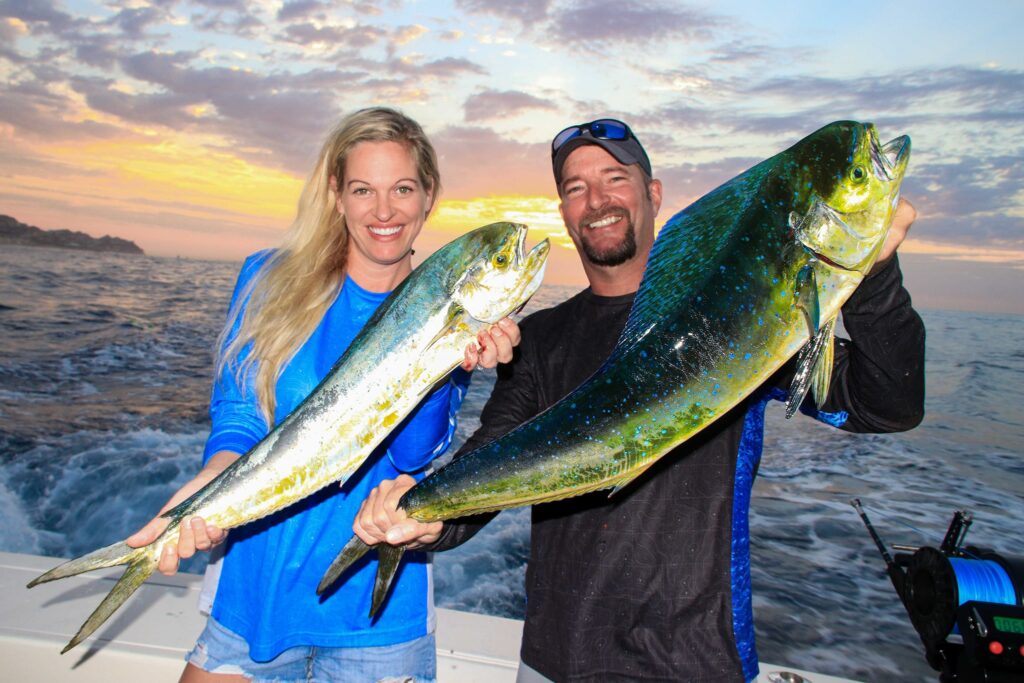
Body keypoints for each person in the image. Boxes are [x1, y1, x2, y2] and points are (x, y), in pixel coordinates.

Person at [353, 118, 926, 682]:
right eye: (575, 189)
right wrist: (427, 521)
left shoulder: (743, 319)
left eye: (614, 178)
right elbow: (492, 460)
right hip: (554, 663)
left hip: (695, 664)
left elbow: (887, 405)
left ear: (653, 193)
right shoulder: (542, 338)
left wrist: (874, 276)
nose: (596, 200)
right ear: (565, 215)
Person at [126, 107, 520, 683]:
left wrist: (444, 363)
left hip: (376, 621)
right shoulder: (267, 276)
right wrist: (213, 480)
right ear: (336, 194)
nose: (383, 211)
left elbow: (413, 459)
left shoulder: (452, 309)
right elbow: (239, 415)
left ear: (428, 195)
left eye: (402, 189)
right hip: (253, 595)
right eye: (363, 189)